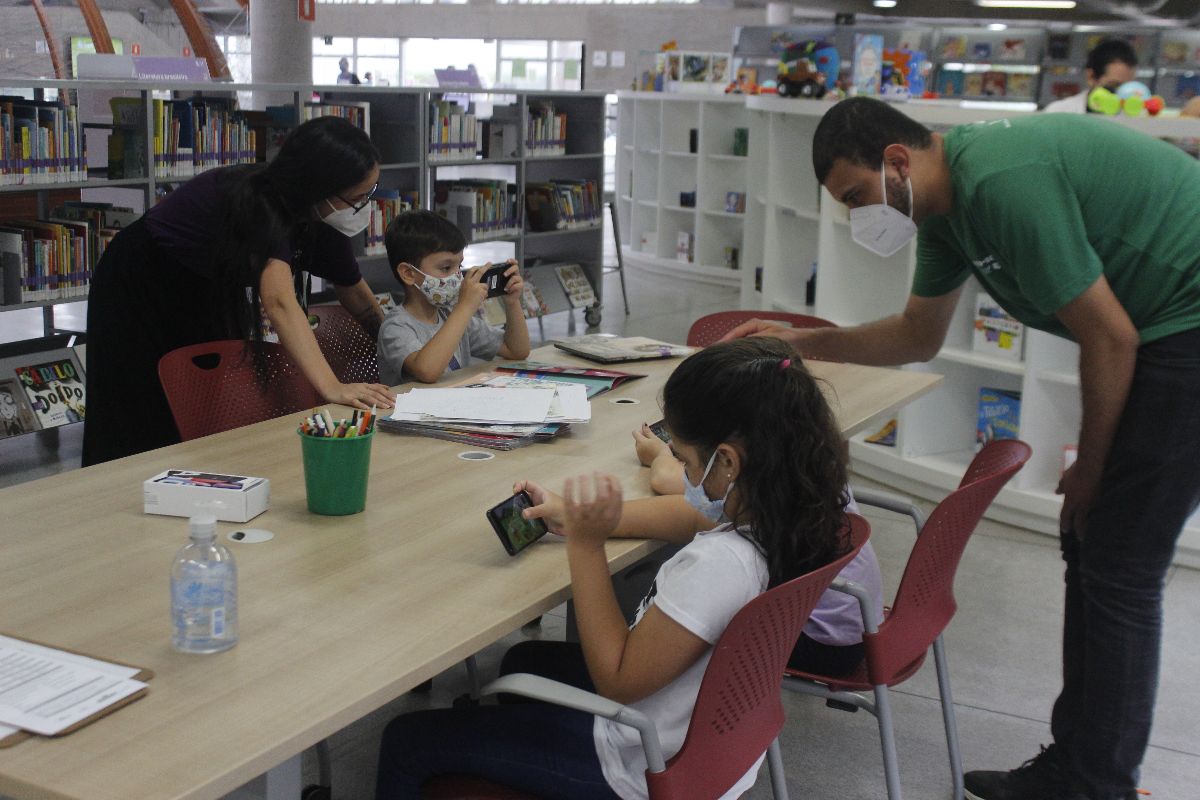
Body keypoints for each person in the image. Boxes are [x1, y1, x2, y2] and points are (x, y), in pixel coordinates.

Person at [722, 96, 1200, 800]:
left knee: (1121, 563)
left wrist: (1091, 469)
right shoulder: (946, 213)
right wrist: (796, 342)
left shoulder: (1002, 180)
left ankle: (1100, 785)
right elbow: (917, 336)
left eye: (858, 196)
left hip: (1184, 327)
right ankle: (1079, 765)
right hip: (1161, 332)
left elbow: (1111, 337)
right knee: (1091, 549)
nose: (859, 216)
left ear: (897, 161)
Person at [375, 337, 858, 799]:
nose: (683, 475)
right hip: (713, 743)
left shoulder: (718, 564)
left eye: (686, 461)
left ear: (728, 463)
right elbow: (688, 517)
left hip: (637, 765)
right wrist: (580, 516)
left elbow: (617, 681)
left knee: (406, 740)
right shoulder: (791, 512)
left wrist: (585, 545)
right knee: (522, 662)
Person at [82, 116, 394, 466]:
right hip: (141, 283)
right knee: (136, 405)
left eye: (369, 193)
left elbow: (353, 290)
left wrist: (396, 348)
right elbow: (278, 301)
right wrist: (332, 387)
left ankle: (198, 476)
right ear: (318, 186)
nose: (364, 206)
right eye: (357, 197)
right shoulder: (262, 204)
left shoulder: (322, 213)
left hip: (202, 286)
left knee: (200, 395)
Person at [631, 422, 883, 676]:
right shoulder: (809, 466)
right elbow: (695, 516)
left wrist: (661, 455)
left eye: (687, 463)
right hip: (857, 627)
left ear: (730, 461)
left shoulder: (760, 497)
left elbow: (667, 481)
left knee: (647, 589)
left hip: (820, 644)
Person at [377, 210, 530, 384]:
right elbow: (427, 371)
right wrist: (464, 308)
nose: (458, 276)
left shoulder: (449, 314)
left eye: (460, 266)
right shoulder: (396, 326)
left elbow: (516, 350)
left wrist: (512, 303)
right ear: (409, 274)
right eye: (446, 268)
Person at [1043, 39, 1137, 113]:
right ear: (1091, 77)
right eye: (1114, 85)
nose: (1121, 95)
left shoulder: (1136, 117)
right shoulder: (1059, 112)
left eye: (1128, 87)